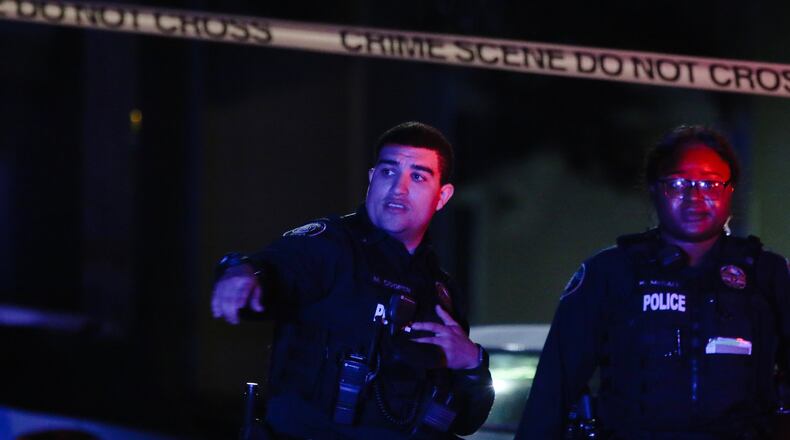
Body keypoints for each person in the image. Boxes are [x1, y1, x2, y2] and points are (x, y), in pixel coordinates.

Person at [212, 121, 494, 439]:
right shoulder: (329, 246)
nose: (398, 188)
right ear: (372, 179)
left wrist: (472, 362)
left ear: (442, 196)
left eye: (417, 176)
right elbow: (275, 267)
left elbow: (468, 421)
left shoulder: (441, 292)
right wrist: (244, 272)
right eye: (388, 172)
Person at [517, 125, 790, 439]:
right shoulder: (610, 271)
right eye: (678, 184)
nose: (695, 197)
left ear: (730, 191)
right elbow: (554, 387)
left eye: (710, 184)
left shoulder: (767, 272)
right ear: (654, 189)